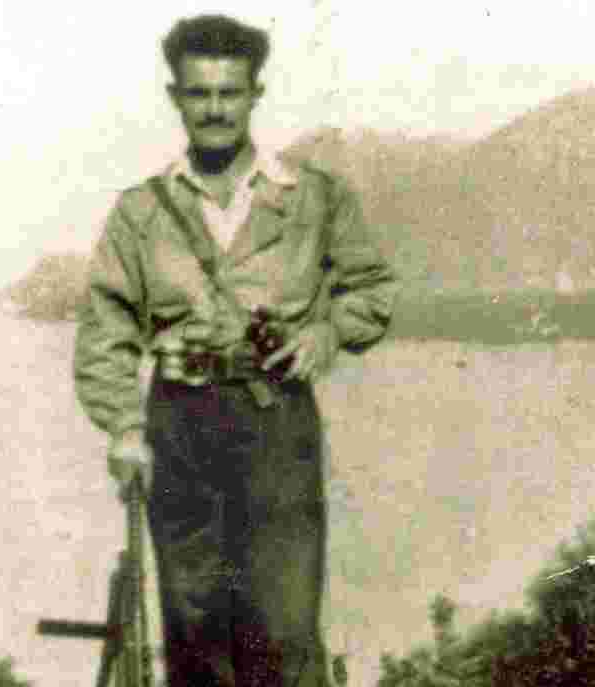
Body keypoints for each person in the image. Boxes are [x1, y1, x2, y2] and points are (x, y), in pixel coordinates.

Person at [74, 14, 399, 687]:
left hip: (276, 421)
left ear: (255, 94)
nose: (215, 109)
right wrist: (125, 427)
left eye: (229, 92)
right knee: (193, 629)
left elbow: (371, 290)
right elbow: (105, 329)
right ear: (176, 97)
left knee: (282, 625)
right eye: (199, 93)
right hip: (179, 427)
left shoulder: (314, 198)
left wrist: (325, 332)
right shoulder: (140, 212)